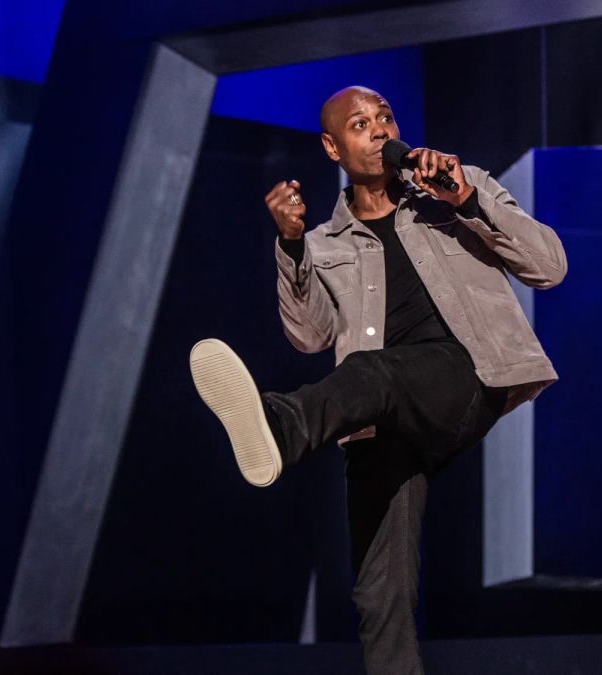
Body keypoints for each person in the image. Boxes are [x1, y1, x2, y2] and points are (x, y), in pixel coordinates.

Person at [189, 85, 567, 674]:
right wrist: (291, 247)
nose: (380, 130)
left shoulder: (453, 189)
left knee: (372, 373)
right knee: (378, 593)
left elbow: (549, 267)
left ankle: (281, 427)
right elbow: (310, 336)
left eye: (385, 117)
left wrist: (466, 199)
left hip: (466, 376)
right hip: (379, 416)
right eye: (360, 124)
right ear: (332, 147)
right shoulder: (324, 243)